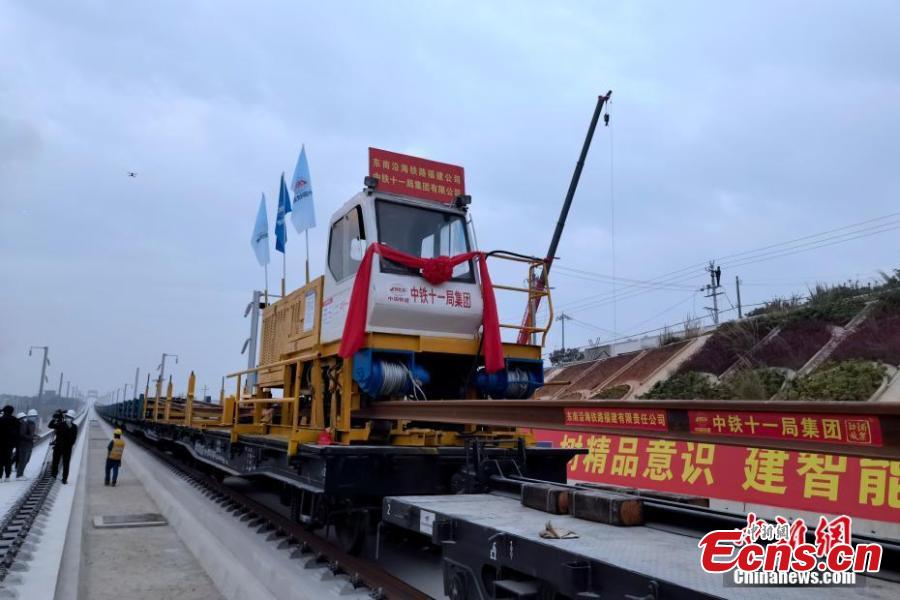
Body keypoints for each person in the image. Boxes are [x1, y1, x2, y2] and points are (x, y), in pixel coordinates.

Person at [50, 409, 78, 484]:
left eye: (70, 417)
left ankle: (64, 479)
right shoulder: (61, 424)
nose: (68, 418)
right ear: (65, 417)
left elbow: (73, 439)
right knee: (55, 462)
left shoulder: (74, 427)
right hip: (58, 447)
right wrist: (55, 418)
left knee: (66, 464)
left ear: (73, 419)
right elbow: (50, 425)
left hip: (67, 448)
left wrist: (70, 428)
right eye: (68, 417)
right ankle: (53, 475)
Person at [15, 410, 38, 479]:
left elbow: (30, 434)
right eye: (33, 416)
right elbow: (22, 434)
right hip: (23, 445)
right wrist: (31, 437)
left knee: (27, 460)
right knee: (23, 460)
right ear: (29, 416)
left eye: (35, 416)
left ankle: (21, 473)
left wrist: (35, 436)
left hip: (29, 445)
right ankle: (19, 475)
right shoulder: (25, 424)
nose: (34, 417)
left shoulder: (33, 424)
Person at [0, 405, 20, 481]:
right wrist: (16, 443)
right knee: (8, 460)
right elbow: (18, 432)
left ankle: (0, 477)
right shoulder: (15, 420)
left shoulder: (1, 420)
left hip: (1, 443)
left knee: (0, 460)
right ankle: (7, 476)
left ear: (4, 411)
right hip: (10, 444)